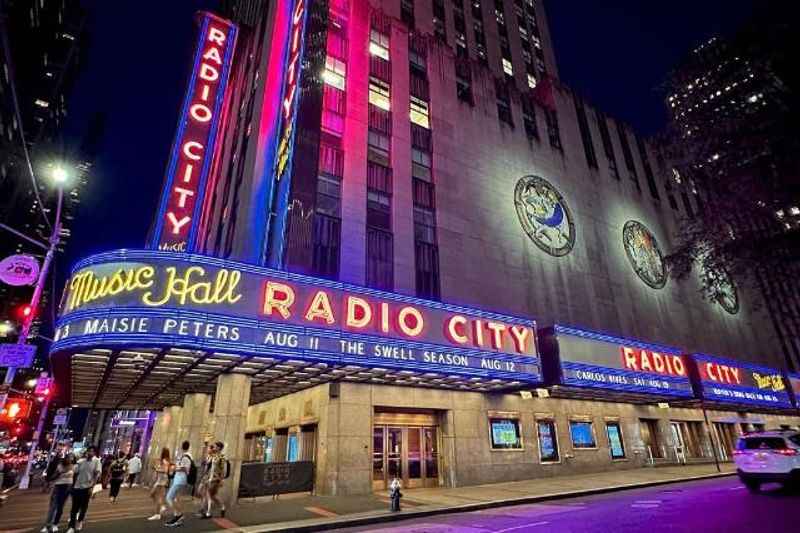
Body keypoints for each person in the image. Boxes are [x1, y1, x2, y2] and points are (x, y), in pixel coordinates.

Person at [67, 446, 101, 533]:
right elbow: (74, 472)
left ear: (95, 453)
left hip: (87, 488)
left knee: (84, 507)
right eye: (89, 451)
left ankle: (80, 521)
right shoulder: (81, 461)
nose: (90, 453)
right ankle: (71, 526)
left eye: (92, 451)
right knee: (74, 508)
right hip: (77, 487)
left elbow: (97, 475)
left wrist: (92, 488)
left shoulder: (96, 461)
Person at [41, 454, 75, 533]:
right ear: (65, 458)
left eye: (72, 458)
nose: (70, 459)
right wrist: (48, 481)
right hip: (58, 487)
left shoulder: (73, 467)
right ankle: (47, 526)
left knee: (60, 508)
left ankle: (55, 524)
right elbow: (53, 476)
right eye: (69, 458)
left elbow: (74, 477)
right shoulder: (60, 466)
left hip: (67, 489)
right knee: (53, 508)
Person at [164, 441, 193, 527]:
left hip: (180, 479)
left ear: (182, 446)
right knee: (176, 498)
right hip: (179, 479)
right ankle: (178, 516)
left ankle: (178, 515)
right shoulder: (185, 456)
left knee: (169, 497)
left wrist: (175, 469)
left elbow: (186, 469)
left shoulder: (185, 457)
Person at [198, 442, 227, 519]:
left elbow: (223, 470)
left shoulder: (221, 457)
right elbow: (210, 465)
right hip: (210, 477)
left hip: (215, 478)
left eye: (216, 446)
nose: (214, 447)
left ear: (219, 448)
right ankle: (222, 507)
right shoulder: (214, 456)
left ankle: (208, 512)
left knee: (209, 494)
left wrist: (221, 480)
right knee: (213, 496)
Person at [147, 448, 171, 521]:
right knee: (152, 494)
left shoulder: (165, 460)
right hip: (161, 479)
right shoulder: (165, 460)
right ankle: (162, 507)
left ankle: (157, 514)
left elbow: (165, 470)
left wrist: (156, 469)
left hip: (161, 480)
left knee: (158, 497)